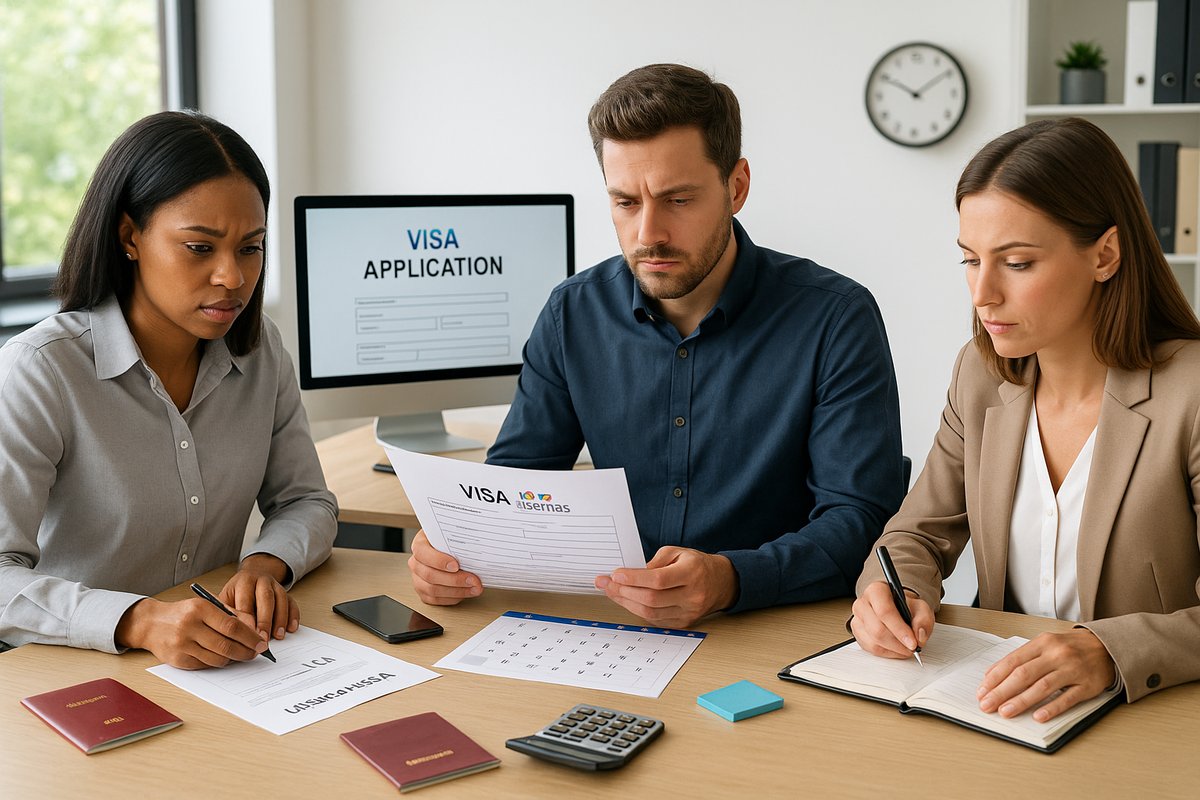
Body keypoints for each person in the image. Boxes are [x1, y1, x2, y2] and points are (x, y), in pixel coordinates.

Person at [408, 63, 905, 627]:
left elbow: (862, 518)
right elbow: (514, 489)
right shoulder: (572, 313)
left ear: (736, 187)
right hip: (612, 628)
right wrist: (456, 546)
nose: (649, 234)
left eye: (678, 200)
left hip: (774, 628)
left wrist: (731, 579)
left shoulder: (835, 318)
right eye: (625, 203)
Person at [852, 117, 1200, 722]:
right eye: (969, 259)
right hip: (1004, 712)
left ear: (1105, 255)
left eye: (1015, 263)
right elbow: (915, 533)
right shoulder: (981, 376)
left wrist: (1110, 651)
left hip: (1153, 721)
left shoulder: (1189, 391)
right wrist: (896, 590)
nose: (981, 293)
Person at [0, 111, 338, 668]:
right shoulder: (42, 371)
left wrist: (264, 565)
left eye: (250, 248)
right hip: (68, 669)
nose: (233, 277)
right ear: (130, 236)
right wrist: (136, 619)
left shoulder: (260, 352)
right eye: (200, 248)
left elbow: (304, 501)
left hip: (216, 667)